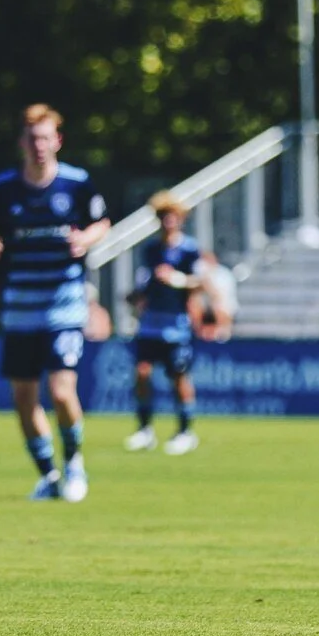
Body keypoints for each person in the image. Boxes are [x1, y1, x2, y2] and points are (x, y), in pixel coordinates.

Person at [0, 106, 109, 502]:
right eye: (32, 138)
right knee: (23, 398)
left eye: (45, 138)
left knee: (62, 391)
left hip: (64, 306)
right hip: (20, 308)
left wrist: (85, 239)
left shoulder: (77, 183)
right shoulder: (2, 189)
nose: (39, 145)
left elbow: (102, 223)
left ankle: (74, 464)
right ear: (22, 143)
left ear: (58, 141)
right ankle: (48, 475)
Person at [124, 193, 204, 455]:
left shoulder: (189, 249)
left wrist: (176, 279)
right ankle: (144, 429)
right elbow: (145, 284)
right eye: (163, 217)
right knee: (142, 373)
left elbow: (199, 282)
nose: (168, 221)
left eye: (172, 216)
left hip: (175, 325)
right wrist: (136, 296)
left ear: (180, 219)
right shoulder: (151, 250)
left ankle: (185, 431)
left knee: (178, 377)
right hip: (150, 323)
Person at [195, 250, 239, 341]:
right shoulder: (197, 273)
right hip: (205, 309)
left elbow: (219, 297)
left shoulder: (223, 274)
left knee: (219, 306)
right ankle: (198, 331)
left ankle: (222, 331)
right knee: (193, 302)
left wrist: (207, 283)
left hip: (223, 308)